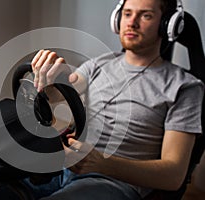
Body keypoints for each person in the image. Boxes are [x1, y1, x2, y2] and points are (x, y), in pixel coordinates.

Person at [24, 0, 204, 199]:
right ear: (118, 19)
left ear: (167, 24)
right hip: (61, 167)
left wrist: (103, 164)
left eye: (146, 15)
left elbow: (173, 175)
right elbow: (63, 100)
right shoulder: (97, 65)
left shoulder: (184, 87)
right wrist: (52, 84)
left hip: (111, 182)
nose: (132, 23)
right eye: (127, 14)